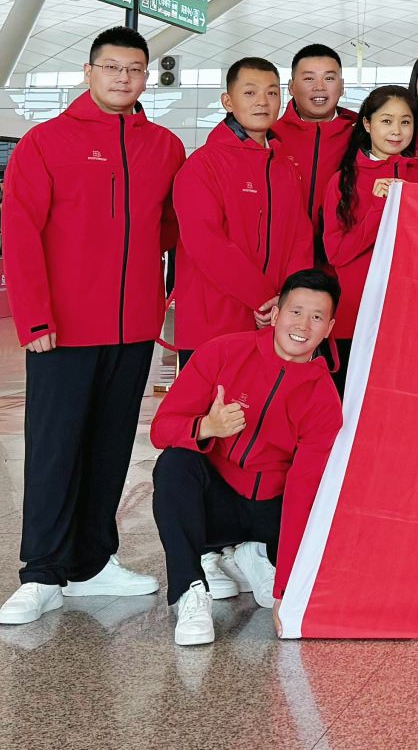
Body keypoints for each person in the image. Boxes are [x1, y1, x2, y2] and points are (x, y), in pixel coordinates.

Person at [0, 27, 186, 626]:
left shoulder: (164, 147)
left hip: (132, 327)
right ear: (89, 71)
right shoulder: (46, 142)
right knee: (54, 449)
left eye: (135, 69)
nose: (123, 78)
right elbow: (20, 233)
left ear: (146, 77)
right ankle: (41, 571)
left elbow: (171, 228)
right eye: (112, 67)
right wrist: (35, 317)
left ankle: (93, 562)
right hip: (64, 328)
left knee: (111, 447)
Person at [149, 268, 343, 647]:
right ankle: (190, 591)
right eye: (295, 312)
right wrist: (207, 426)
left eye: (317, 317)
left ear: (329, 328)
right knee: (174, 465)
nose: (303, 325)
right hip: (219, 507)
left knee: (321, 504)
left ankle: (255, 554)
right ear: (276, 314)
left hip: (271, 514)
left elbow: (303, 494)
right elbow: (161, 430)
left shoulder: (324, 400)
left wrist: (286, 592)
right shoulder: (223, 352)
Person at [170, 57, 314, 373]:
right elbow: (206, 245)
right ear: (228, 101)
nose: (263, 101)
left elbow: (300, 240)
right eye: (250, 93)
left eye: (272, 93)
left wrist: (289, 300)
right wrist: (265, 299)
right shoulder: (202, 166)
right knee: (215, 404)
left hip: (275, 322)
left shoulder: (285, 169)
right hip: (215, 323)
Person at [320, 86, 418, 392]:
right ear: (367, 124)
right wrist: (378, 208)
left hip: (410, 316)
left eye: (405, 122)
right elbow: (337, 253)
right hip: (356, 317)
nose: (396, 131)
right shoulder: (342, 181)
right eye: (386, 121)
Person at [271, 44, 355, 267]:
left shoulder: (363, 135)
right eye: (309, 78)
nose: (319, 87)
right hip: (284, 260)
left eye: (329, 78)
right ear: (291, 87)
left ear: (342, 86)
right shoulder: (269, 136)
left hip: (344, 259)